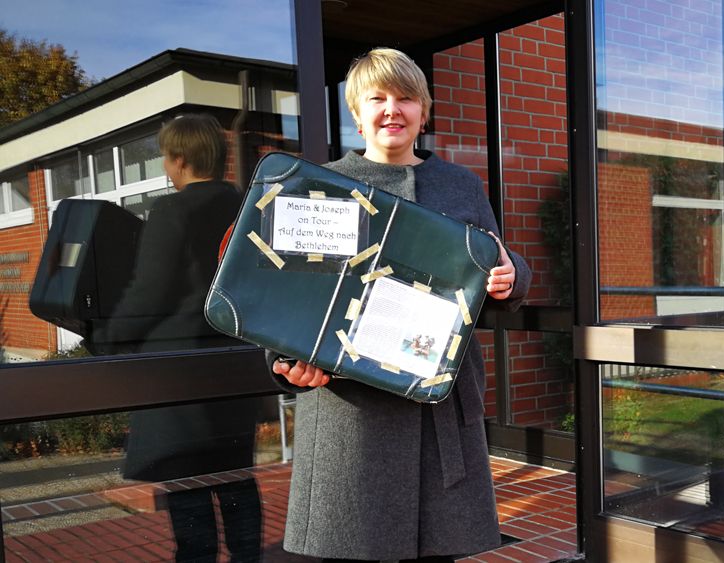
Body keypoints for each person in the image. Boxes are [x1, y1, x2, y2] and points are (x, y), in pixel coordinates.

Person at [265, 48, 531, 563]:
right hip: (351, 414)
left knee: (439, 553)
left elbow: (491, 261)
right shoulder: (319, 187)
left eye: (406, 98)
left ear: (424, 112)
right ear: (357, 113)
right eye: (378, 98)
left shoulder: (461, 185)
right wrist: (282, 363)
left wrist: (512, 274)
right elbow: (289, 293)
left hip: (439, 408)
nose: (393, 109)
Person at [96, 114, 262, 563]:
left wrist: (108, 340)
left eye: (167, 160)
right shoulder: (250, 207)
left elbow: (149, 290)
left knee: (188, 486)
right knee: (235, 477)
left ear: (181, 159)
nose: (167, 170)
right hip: (236, 366)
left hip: (182, 373)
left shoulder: (173, 211)